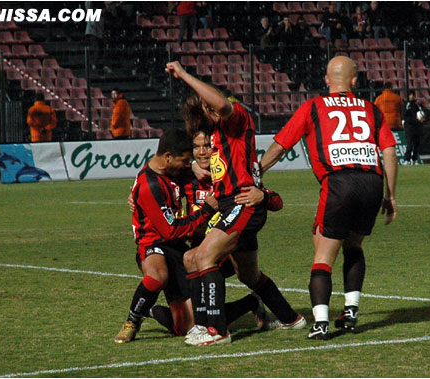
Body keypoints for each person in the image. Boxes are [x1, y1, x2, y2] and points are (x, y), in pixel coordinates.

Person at [166, 60, 306, 346]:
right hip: (234, 206)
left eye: (211, 105)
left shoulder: (237, 119)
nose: (209, 108)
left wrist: (183, 74)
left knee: (203, 257)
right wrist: (193, 166)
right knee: (245, 273)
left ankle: (217, 330)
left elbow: (221, 103)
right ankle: (291, 318)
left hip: (242, 204)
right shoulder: (217, 137)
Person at [259, 56, 398, 340]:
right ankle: (350, 310)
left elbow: (281, 145)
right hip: (372, 182)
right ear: (355, 81)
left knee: (323, 253)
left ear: (326, 80)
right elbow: (390, 153)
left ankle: (320, 323)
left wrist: (256, 171)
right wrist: (391, 195)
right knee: (354, 246)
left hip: (338, 182)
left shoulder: (313, 107)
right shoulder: (372, 110)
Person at [124, 129, 273, 339]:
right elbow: (167, 223)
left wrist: (263, 196)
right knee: (185, 325)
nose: (201, 153)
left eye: (207, 147)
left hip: (221, 246)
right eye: (196, 149)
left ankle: (241, 309)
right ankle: (144, 314)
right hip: (189, 249)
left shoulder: (226, 174)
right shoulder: (183, 176)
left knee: (241, 276)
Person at [114, 128, 219, 343]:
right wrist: (207, 211)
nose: (187, 164)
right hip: (152, 242)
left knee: (185, 327)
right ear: (168, 157)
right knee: (157, 276)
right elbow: (170, 230)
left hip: (176, 245)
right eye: (185, 160)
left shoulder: (171, 171)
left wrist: (193, 167)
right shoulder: (150, 185)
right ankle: (132, 321)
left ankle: (250, 304)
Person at [403, 90, 430, 165]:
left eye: (412, 95)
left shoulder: (418, 105)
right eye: (410, 95)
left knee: (416, 145)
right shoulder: (406, 106)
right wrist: (417, 120)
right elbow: (406, 117)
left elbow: (427, 112)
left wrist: (424, 119)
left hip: (417, 128)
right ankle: (407, 160)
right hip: (409, 128)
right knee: (409, 144)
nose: (411, 96)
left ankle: (414, 159)